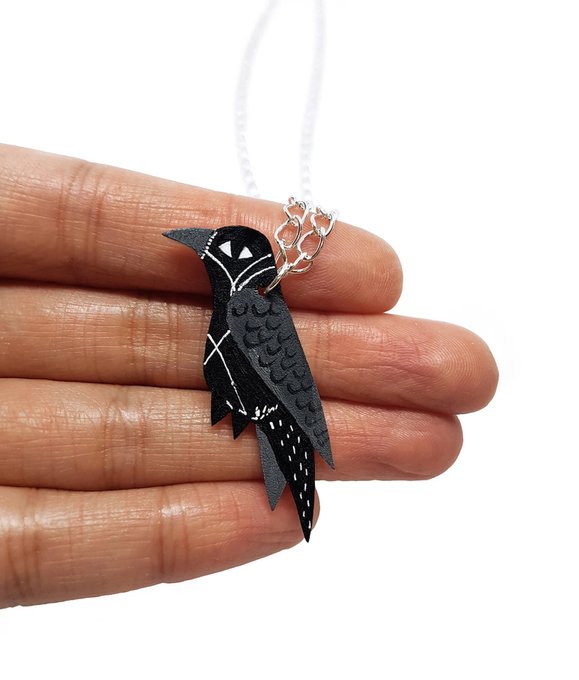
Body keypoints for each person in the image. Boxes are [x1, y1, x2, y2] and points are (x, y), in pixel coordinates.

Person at [0, 144, 498, 607]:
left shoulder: (250, 306)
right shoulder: (240, 302)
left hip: (276, 409)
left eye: (225, 250)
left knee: (286, 466)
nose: (208, 251)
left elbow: (281, 377)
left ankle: (292, 486)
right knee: (281, 473)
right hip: (259, 404)